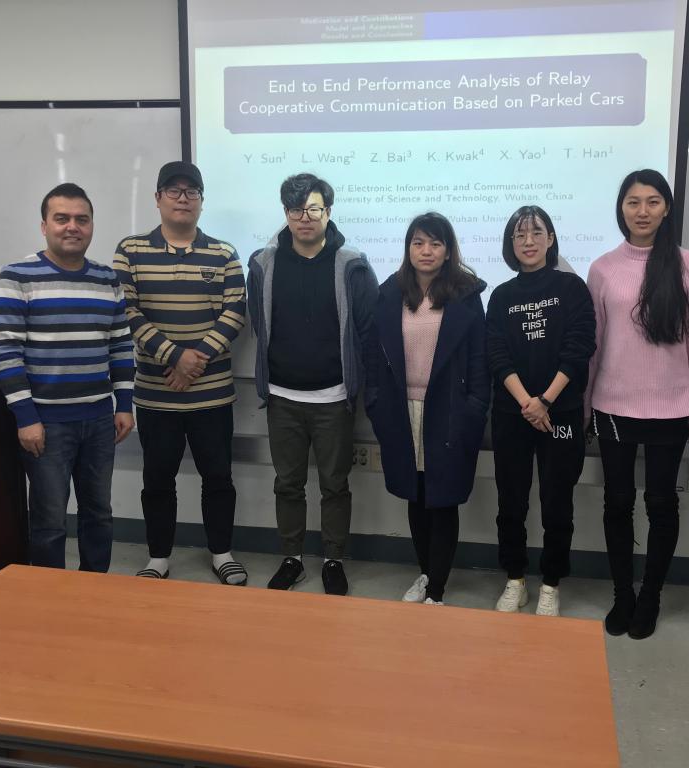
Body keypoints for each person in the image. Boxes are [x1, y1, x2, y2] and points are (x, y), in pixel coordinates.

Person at [585, 169, 689, 639]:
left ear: (667, 208)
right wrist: (585, 406)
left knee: (661, 504)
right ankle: (624, 595)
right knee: (617, 502)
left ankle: (651, 596)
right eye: (633, 202)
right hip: (612, 405)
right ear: (621, 208)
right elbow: (594, 345)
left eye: (653, 201)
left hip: (671, 407)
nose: (642, 211)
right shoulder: (602, 268)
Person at [113, 161, 247, 584]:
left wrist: (196, 359)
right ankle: (158, 557)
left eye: (192, 192)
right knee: (157, 480)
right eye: (174, 190)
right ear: (158, 198)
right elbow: (126, 310)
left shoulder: (223, 253)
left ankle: (222, 553)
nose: (183, 198)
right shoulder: (130, 250)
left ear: (202, 201)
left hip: (212, 393)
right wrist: (174, 357)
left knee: (218, 477)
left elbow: (235, 311)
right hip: (156, 394)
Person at [0, 183, 135, 571]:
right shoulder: (16, 277)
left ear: (91, 226)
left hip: (99, 421)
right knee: (50, 522)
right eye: (62, 218)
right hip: (45, 424)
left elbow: (121, 346)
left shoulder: (107, 279)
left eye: (81, 219)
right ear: (44, 226)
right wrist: (26, 417)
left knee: (99, 514)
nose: (73, 226)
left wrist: (123, 404)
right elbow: (6, 352)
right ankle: (50, 597)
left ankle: (94, 588)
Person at [247, 173, 379, 595]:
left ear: (328, 211)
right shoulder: (263, 264)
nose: (304, 217)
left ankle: (333, 560)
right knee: (287, 484)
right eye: (295, 209)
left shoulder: (353, 265)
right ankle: (292, 558)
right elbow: (260, 321)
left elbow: (367, 329)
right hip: (282, 397)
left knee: (334, 485)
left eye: (313, 209)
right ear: (286, 213)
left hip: (334, 398)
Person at [365, 213, 489, 606]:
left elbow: (479, 359)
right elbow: (373, 355)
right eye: (418, 243)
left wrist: (474, 408)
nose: (426, 251)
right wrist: (375, 402)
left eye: (435, 243)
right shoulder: (390, 293)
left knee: (443, 500)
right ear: (408, 248)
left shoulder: (465, 294)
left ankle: (436, 589)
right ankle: (424, 573)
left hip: (448, 411)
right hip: (402, 411)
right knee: (415, 496)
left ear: (448, 251)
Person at [485, 205, 596, 616]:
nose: (528, 241)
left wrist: (546, 400)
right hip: (512, 413)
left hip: (560, 413)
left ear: (550, 239)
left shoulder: (572, 288)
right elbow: (496, 354)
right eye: (519, 235)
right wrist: (526, 403)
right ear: (510, 244)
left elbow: (580, 347)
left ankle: (551, 583)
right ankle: (515, 579)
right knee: (510, 502)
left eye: (536, 233)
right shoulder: (501, 296)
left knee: (557, 502)